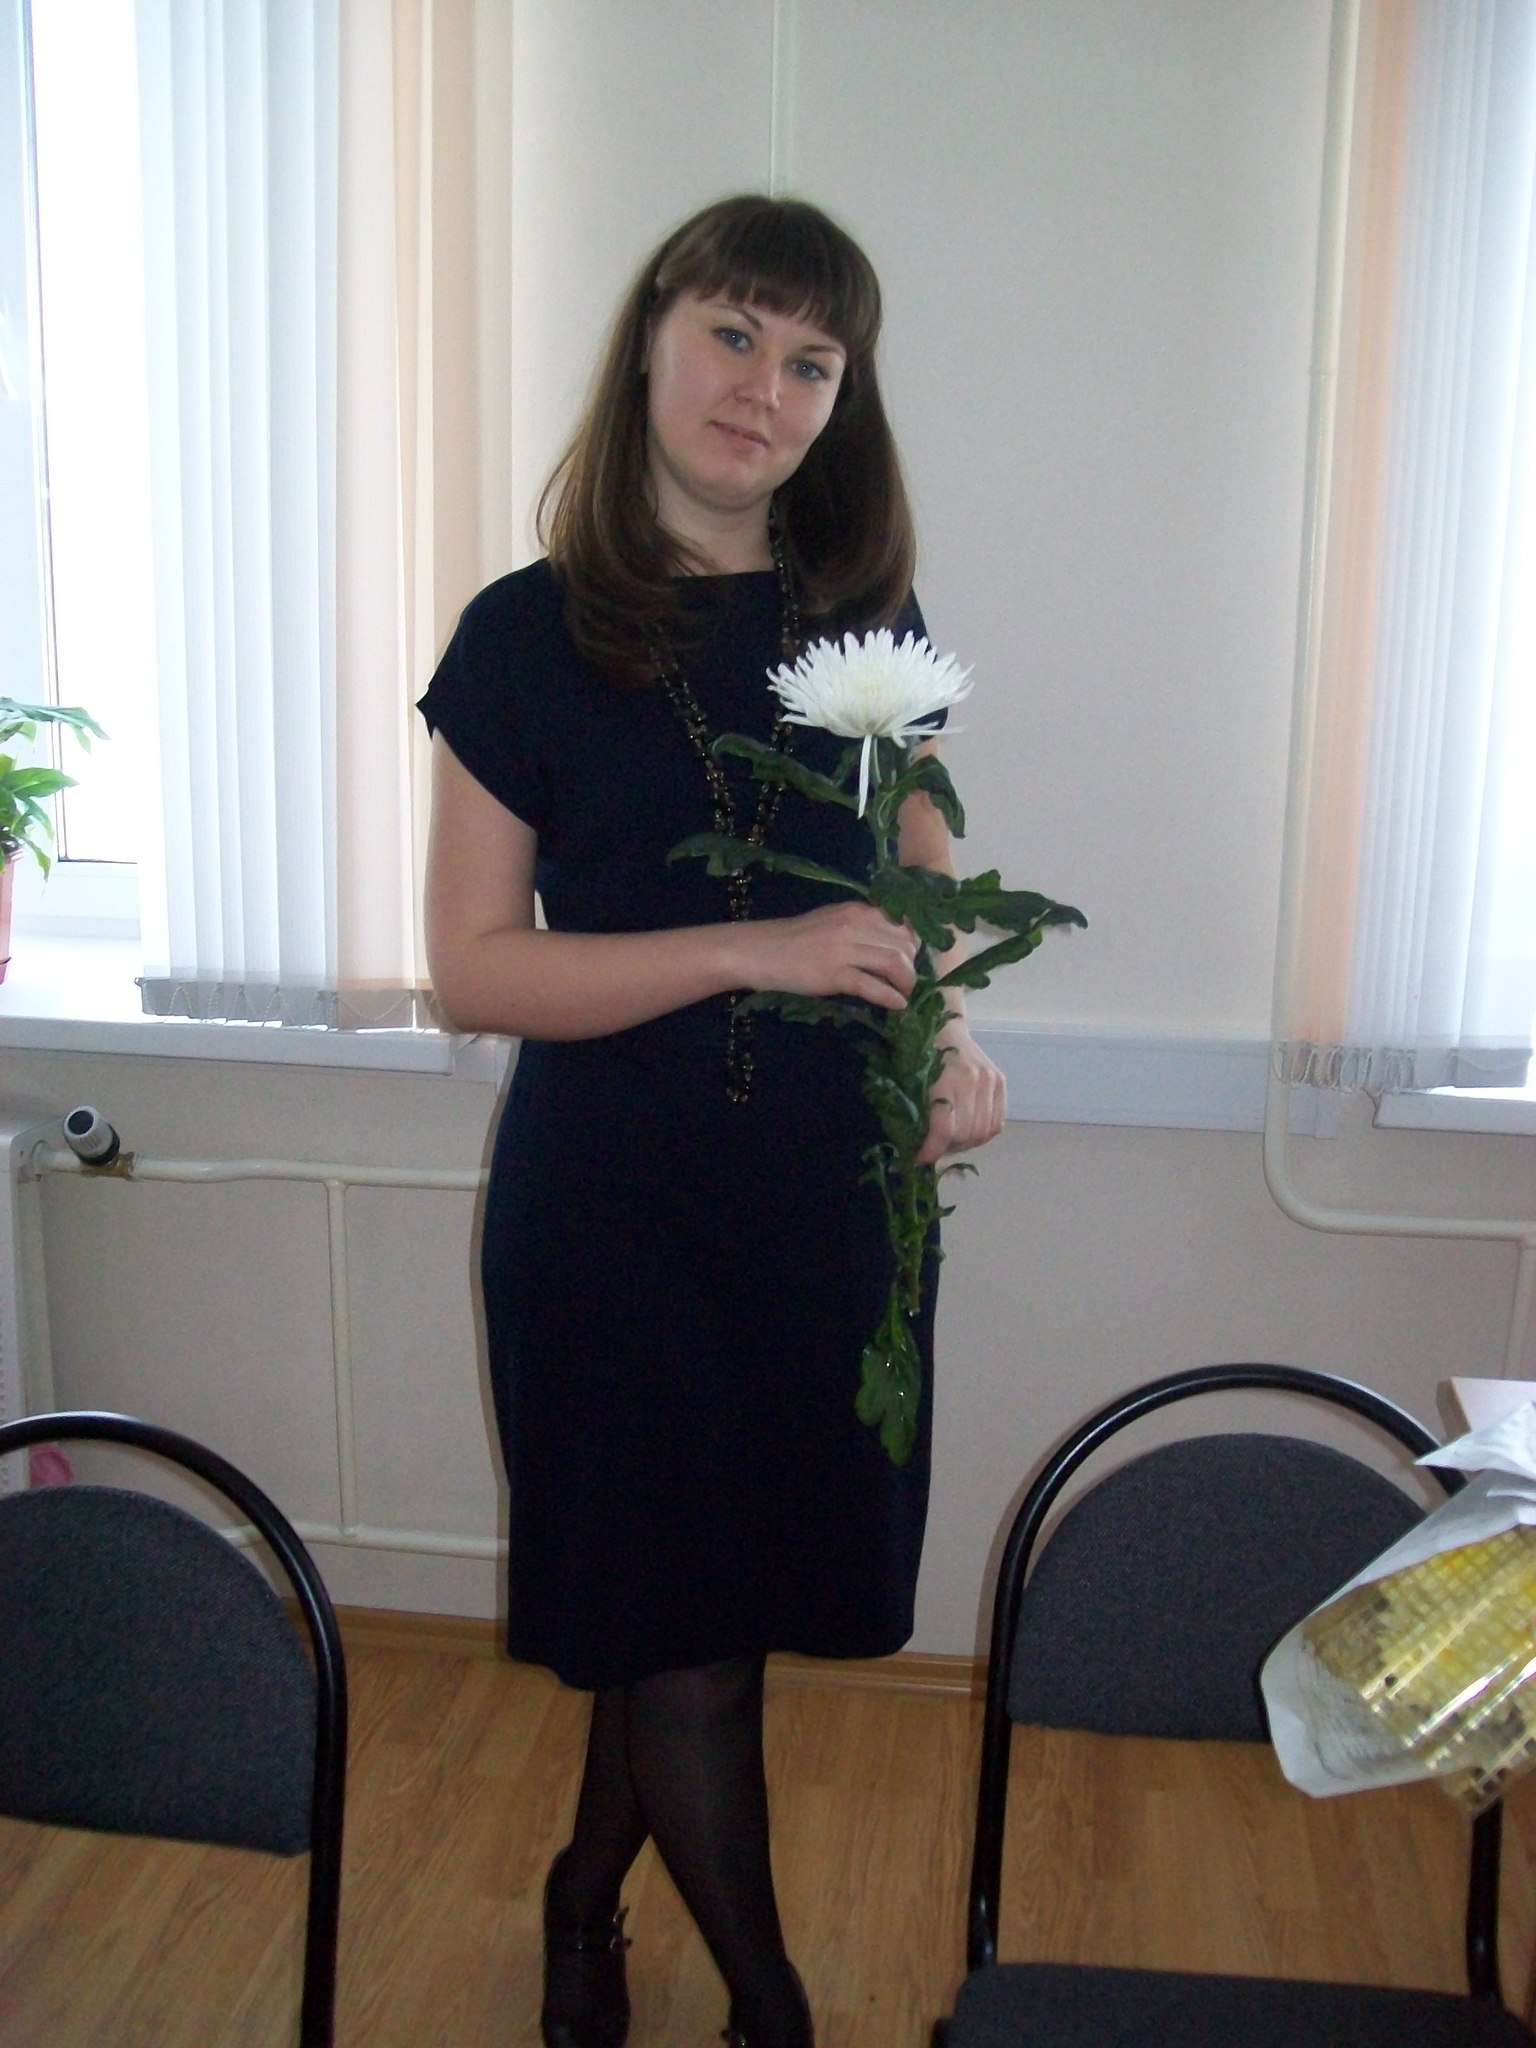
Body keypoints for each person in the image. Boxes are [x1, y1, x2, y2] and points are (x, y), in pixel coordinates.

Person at [420, 194, 1005, 2048]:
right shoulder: (523, 637)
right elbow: (474, 970)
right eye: (735, 336)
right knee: (679, 1639)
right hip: (615, 1218)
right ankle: (775, 2014)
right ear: (654, 339)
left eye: (812, 361)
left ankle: (580, 1903)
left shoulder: (866, 622)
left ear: (844, 400)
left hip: (824, 1207)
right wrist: (755, 947)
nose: (767, 389)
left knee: (695, 1615)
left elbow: (920, 861)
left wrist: (948, 1033)